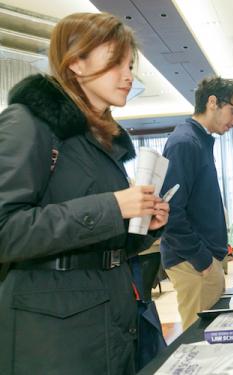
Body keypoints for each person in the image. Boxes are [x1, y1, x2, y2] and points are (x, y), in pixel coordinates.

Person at [0, 12, 170, 374]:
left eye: (130, 65)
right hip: (55, 336)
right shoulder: (28, 123)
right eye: (116, 63)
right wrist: (112, 206)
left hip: (108, 321)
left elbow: (103, 245)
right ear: (75, 62)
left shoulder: (101, 139)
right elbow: (5, 230)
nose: (128, 76)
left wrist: (145, 225)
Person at [160, 76, 233, 330]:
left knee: (213, 339)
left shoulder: (198, 141)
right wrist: (202, 259)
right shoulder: (185, 143)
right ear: (212, 102)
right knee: (201, 341)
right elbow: (170, 212)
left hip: (203, 259)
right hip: (193, 262)